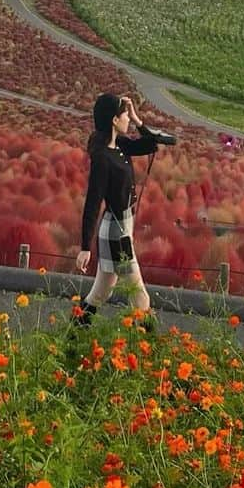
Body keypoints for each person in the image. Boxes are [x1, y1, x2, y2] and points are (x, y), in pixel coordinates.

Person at [74, 92, 158, 329]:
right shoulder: (102, 157)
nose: (127, 121)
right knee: (140, 297)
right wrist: (84, 247)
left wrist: (137, 117)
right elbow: (93, 203)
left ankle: (72, 335)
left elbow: (151, 145)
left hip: (123, 228)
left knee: (100, 294)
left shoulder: (119, 145)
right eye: (124, 116)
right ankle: (151, 349)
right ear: (113, 120)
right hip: (116, 233)